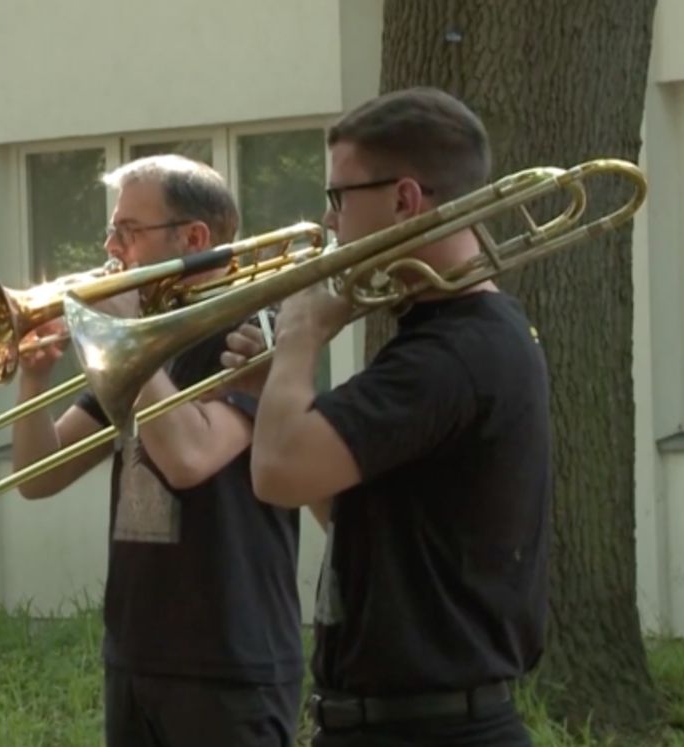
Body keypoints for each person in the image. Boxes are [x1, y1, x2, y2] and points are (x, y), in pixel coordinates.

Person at [224, 87, 550, 746]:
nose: (329, 220)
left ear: (404, 199)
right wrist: (275, 388)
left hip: (433, 730)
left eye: (339, 196)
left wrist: (301, 339)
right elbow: (353, 515)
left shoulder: (452, 353)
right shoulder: (446, 337)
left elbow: (276, 474)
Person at [12, 154, 305, 747]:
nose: (110, 248)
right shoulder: (144, 337)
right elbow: (38, 476)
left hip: (230, 659)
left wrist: (125, 343)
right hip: (136, 654)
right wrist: (33, 379)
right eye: (112, 231)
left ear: (193, 239)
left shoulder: (257, 332)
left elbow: (189, 459)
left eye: (128, 231)